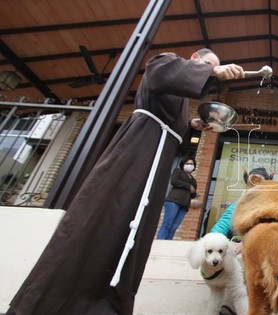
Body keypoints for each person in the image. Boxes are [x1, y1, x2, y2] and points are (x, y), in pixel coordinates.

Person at [7, 48, 244, 315]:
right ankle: (53, 301)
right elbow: (157, 74)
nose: (211, 70)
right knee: (105, 215)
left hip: (156, 162)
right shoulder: (166, 61)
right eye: (208, 64)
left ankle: (105, 304)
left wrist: (191, 124)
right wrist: (212, 71)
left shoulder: (180, 96)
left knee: (135, 232)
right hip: (136, 153)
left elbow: (167, 114)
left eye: (214, 67)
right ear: (193, 59)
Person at [157, 158, 198, 240]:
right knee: (167, 224)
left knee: (174, 227)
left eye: (191, 164)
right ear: (183, 164)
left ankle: (168, 243)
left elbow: (192, 194)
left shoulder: (193, 180)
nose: (189, 165)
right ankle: (160, 242)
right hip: (174, 200)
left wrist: (194, 193)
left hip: (184, 204)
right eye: (187, 163)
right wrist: (188, 186)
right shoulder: (178, 171)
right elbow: (174, 181)